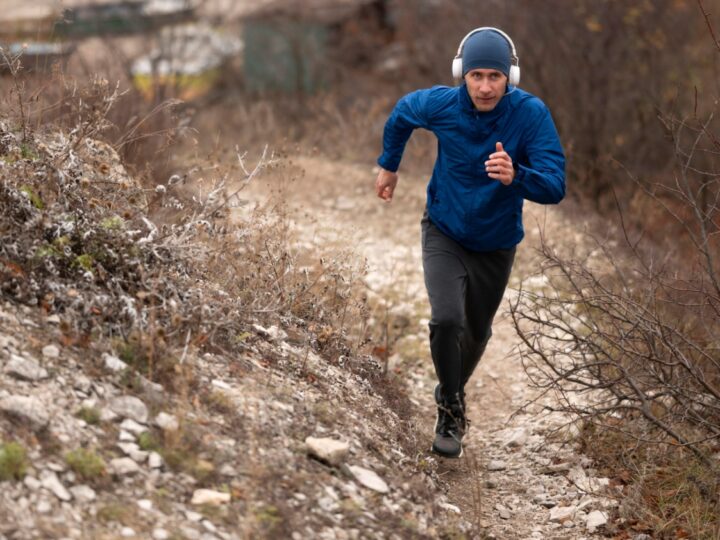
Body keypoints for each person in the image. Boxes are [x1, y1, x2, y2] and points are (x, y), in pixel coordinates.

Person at [374, 27, 565, 458]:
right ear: (462, 73)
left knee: (475, 335)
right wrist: (389, 165)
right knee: (446, 319)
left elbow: (556, 185)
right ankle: (450, 411)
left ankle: (450, 389)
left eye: (493, 77)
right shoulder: (442, 104)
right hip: (444, 228)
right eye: (475, 75)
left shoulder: (530, 115)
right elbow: (404, 112)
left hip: (496, 243)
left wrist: (519, 175)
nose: (483, 86)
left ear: (509, 78)